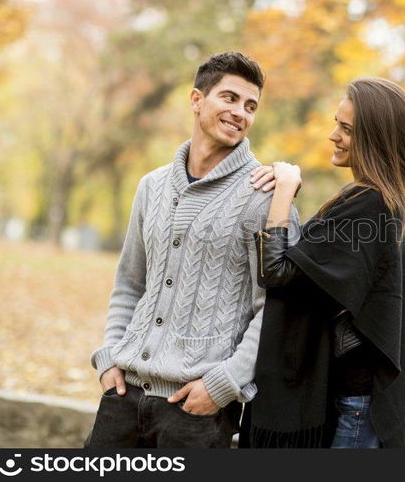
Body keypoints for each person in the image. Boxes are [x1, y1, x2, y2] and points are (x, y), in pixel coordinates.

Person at [84, 51, 296, 448]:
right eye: (229, 98)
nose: (240, 113)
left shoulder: (266, 195)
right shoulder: (152, 186)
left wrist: (225, 383)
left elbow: (277, 305)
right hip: (123, 397)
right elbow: (130, 282)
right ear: (196, 100)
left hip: (195, 411)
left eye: (251, 106)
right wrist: (110, 355)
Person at [244, 77, 405, 448]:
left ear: (375, 140)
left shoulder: (370, 206)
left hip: (357, 413)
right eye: (336, 123)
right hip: (351, 404)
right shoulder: (374, 200)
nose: (333, 135)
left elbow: (276, 272)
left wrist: (284, 188)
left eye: (347, 129)